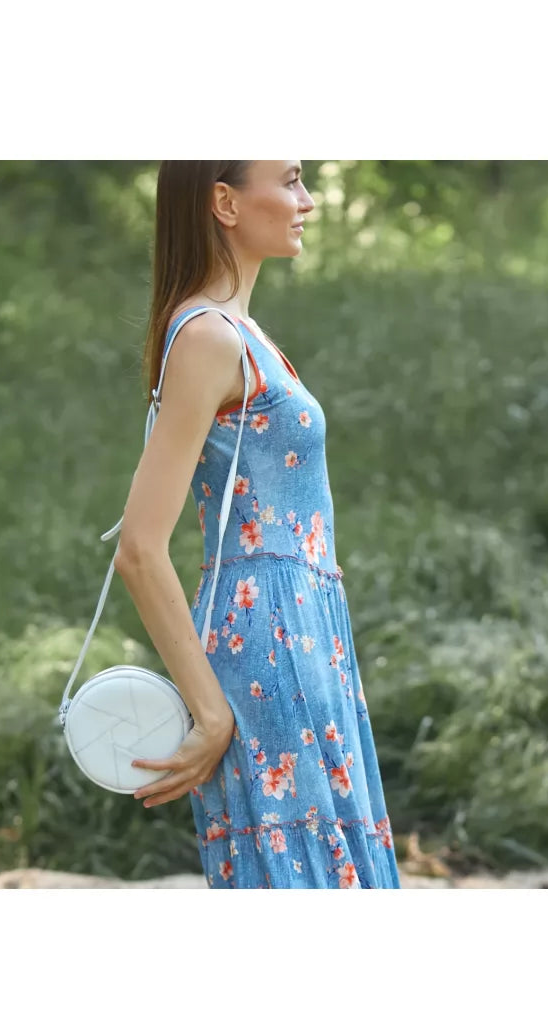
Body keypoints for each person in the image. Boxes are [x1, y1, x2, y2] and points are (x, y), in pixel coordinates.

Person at [114, 160, 401, 889]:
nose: (308, 201)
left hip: (302, 629)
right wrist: (210, 711)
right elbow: (139, 548)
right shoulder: (208, 338)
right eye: (291, 179)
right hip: (267, 636)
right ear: (225, 202)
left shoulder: (239, 333)